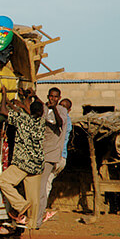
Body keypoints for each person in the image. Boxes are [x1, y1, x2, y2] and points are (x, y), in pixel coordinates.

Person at [0, 87, 45, 229]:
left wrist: (4, 96)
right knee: (34, 197)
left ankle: (20, 205)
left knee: (3, 181)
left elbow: (3, 112)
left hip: (23, 162)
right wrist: (30, 98)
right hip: (37, 165)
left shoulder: (23, 120)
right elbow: (32, 111)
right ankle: (31, 223)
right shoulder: (42, 123)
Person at [36, 88, 68, 228]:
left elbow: (59, 123)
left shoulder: (61, 110)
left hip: (52, 155)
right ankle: (36, 215)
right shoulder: (44, 108)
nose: (53, 99)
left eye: (56, 97)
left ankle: (38, 218)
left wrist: (54, 108)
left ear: (58, 98)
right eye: (51, 96)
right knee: (39, 187)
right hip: (40, 154)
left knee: (43, 187)